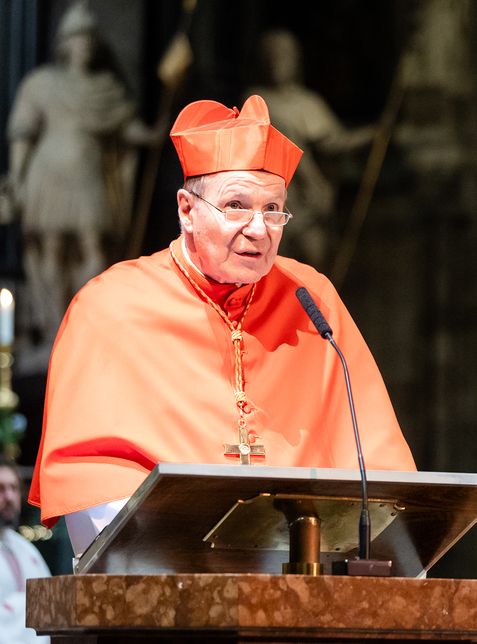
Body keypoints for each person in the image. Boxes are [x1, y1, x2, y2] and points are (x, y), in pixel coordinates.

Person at [28, 95, 416, 556]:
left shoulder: (311, 298)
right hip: (166, 572)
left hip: (305, 570)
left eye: (274, 208)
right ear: (187, 211)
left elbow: (381, 473)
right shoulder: (109, 307)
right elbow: (90, 481)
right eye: (236, 205)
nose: (259, 229)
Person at [6, 2, 153, 371]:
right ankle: (55, 329)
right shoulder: (42, 84)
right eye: (77, 39)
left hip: (87, 177)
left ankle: (88, 324)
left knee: (93, 246)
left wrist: (156, 134)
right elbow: (22, 133)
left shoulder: (105, 88)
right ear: (64, 44)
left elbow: (126, 128)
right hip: (47, 175)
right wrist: (18, 178)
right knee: (51, 249)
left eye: (89, 39)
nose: (84, 46)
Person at [247, 29, 375, 268]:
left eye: (284, 55)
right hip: (274, 196)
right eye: (272, 55)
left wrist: (373, 135)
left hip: (308, 199)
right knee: (275, 264)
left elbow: (334, 142)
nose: (278, 62)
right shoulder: (256, 100)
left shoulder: (308, 102)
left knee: (314, 257)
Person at [0, 462, 50, 644]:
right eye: (1, 489)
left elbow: (50, 607)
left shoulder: (28, 551)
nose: (9, 496)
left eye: (14, 488)